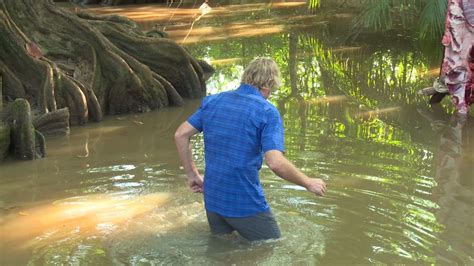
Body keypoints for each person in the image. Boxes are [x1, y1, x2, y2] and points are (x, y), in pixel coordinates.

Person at [174, 57, 326, 241]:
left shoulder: (213, 102)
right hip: (244, 203)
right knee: (272, 246)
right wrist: (308, 182)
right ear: (270, 84)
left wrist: (193, 175)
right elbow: (275, 163)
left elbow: (181, 135)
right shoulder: (267, 112)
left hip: (213, 200)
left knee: (223, 251)